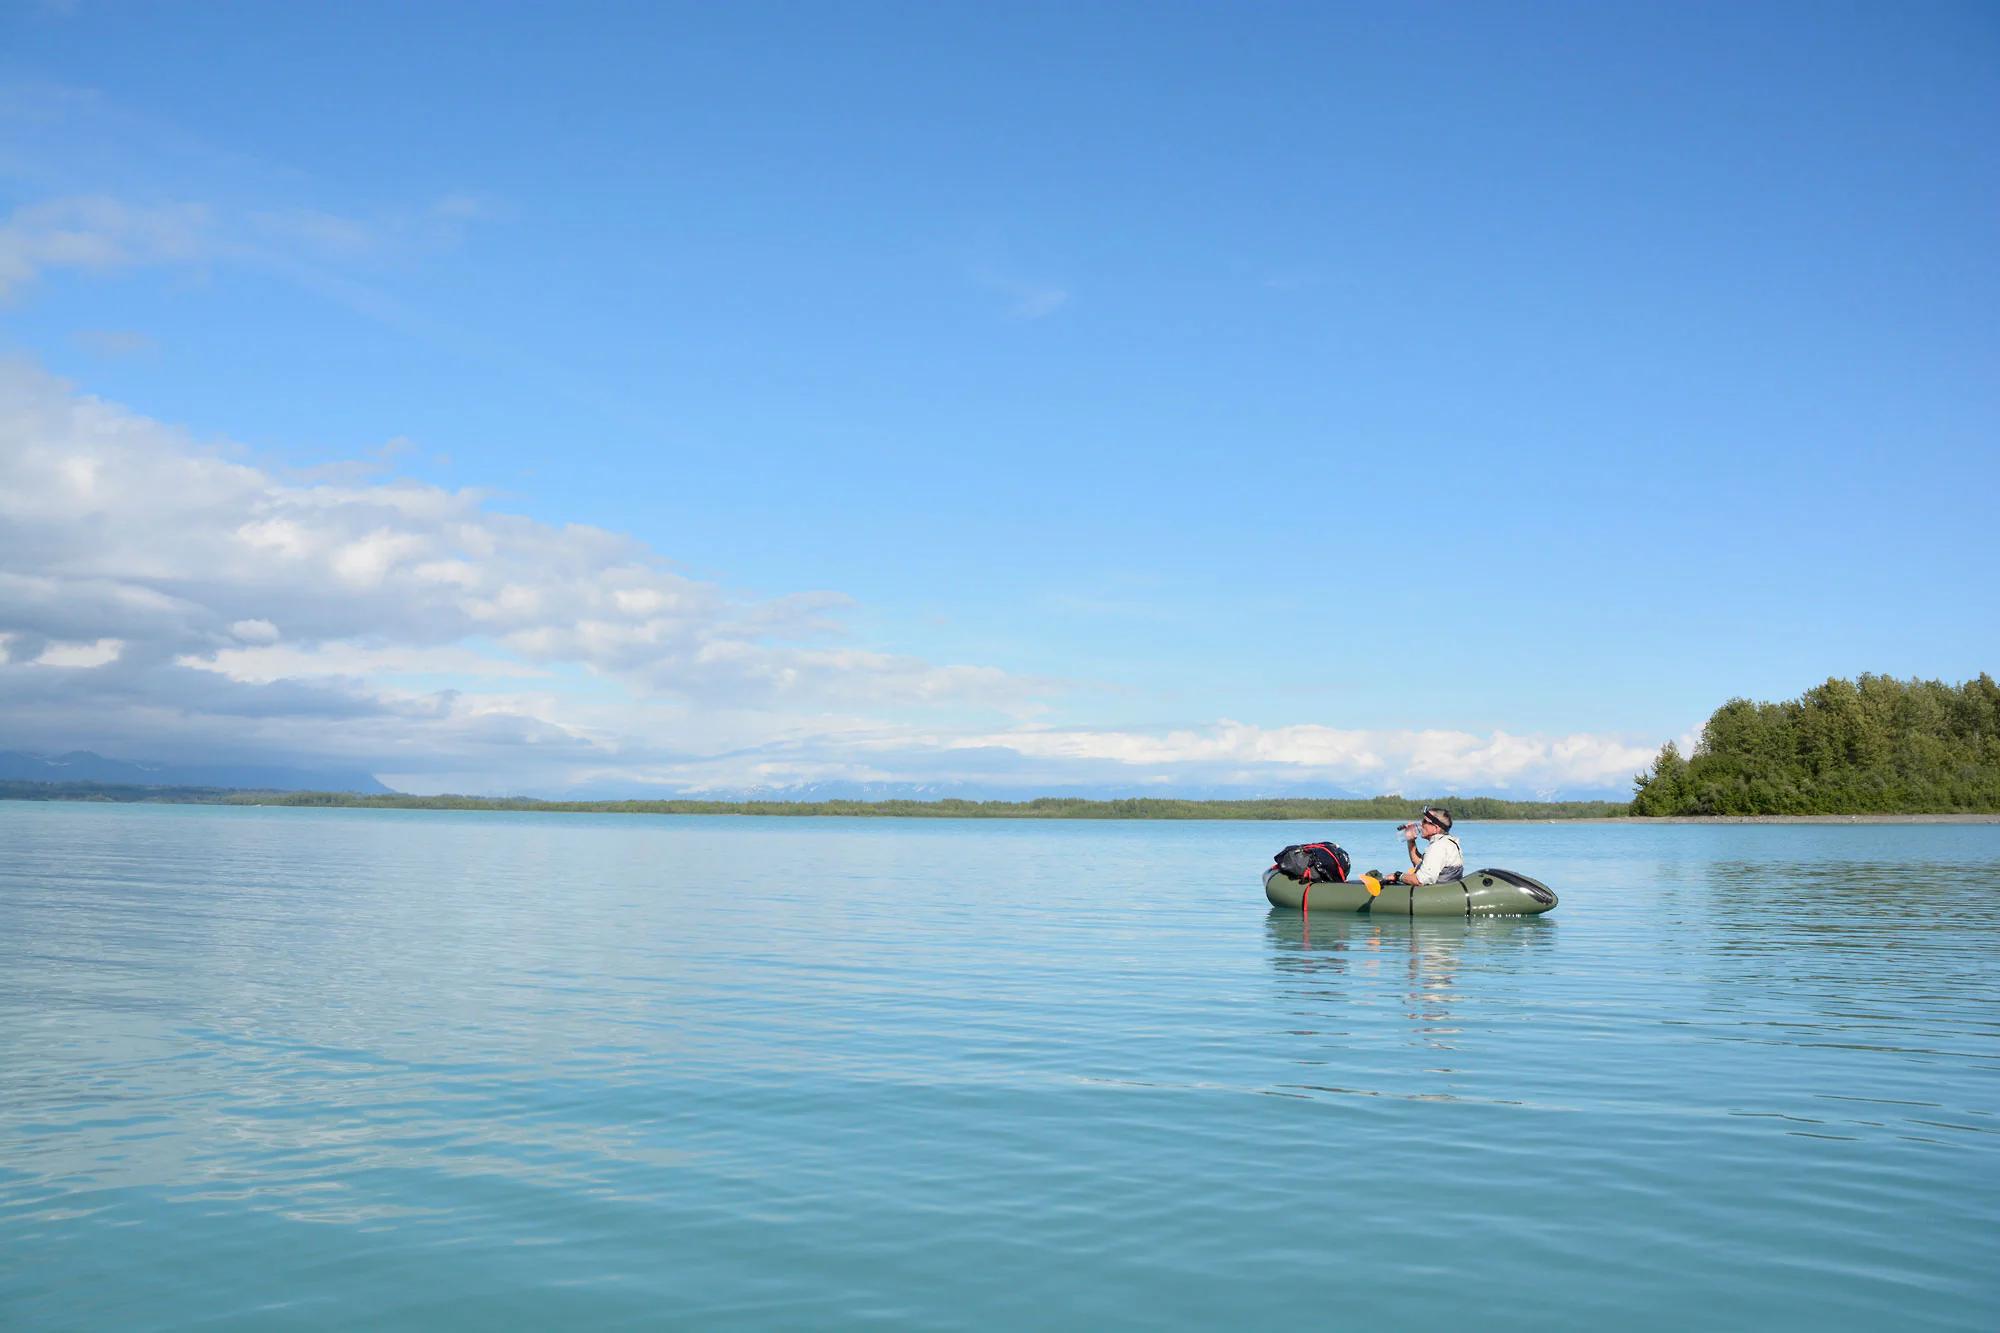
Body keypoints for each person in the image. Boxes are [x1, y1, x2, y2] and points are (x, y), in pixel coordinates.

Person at [1387, 807, 1463, 886]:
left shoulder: (1438, 847)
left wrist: (1398, 876)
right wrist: (1410, 840)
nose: (1421, 824)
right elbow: (1421, 866)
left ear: (1435, 828)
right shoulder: (1447, 843)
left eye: (1424, 821)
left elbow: (1421, 880)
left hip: (1436, 895)